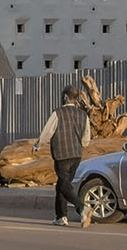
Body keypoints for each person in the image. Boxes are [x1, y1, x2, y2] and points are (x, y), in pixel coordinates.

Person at [33, 86, 93, 228]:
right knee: (62, 184)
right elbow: (86, 138)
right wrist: (80, 145)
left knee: (64, 185)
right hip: (76, 155)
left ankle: (82, 208)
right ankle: (61, 217)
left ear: (65, 97)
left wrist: (38, 144)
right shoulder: (82, 114)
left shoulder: (58, 113)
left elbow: (48, 131)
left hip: (62, 154)